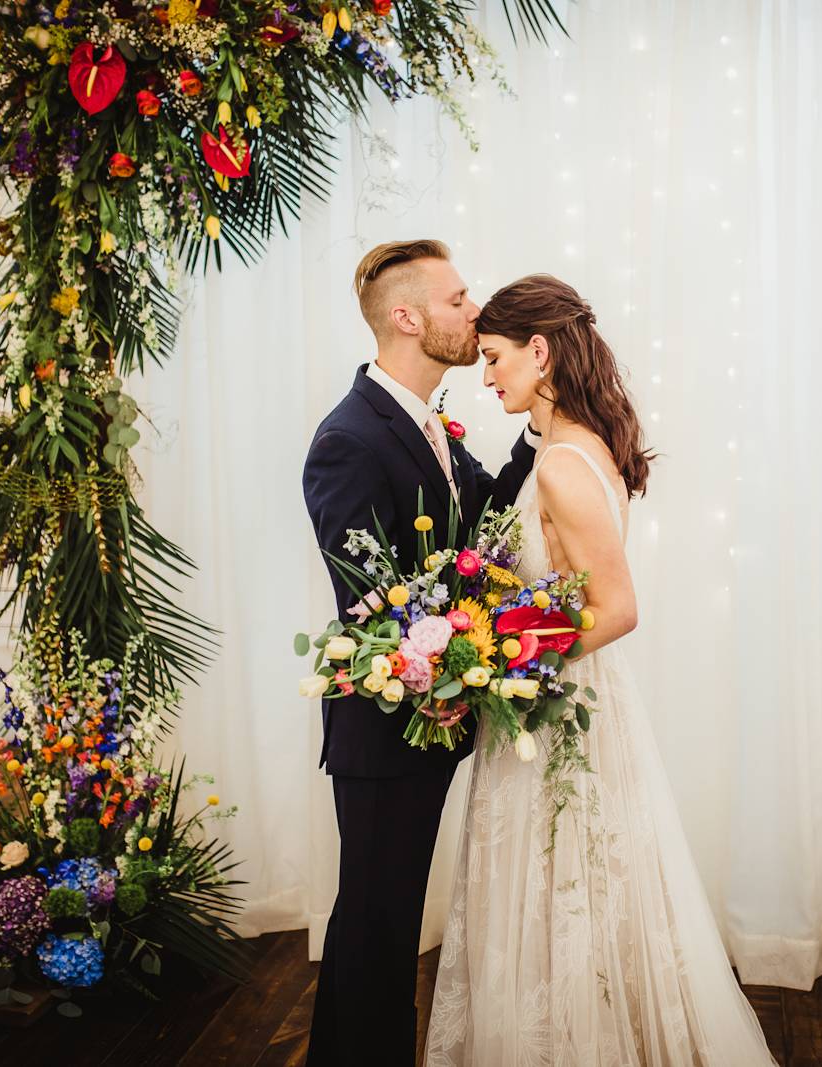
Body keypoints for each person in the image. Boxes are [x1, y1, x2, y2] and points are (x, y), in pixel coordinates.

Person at [424, 274, 778, 1065]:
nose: (486, 377)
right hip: (569, 698)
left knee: (556, 883)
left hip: (554, 706)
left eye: (494, 358)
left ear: (539, 351)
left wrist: (500, 665)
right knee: (576, 886)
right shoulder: (581, 445)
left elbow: (617, 607)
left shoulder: (559, 463)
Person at [301, 240, 539, 1065]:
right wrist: (451, 662)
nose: (475, 312)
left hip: (432, 715)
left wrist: (543, 435)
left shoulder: (427, 422)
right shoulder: (350, 439)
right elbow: (370, 598)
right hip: (384, 726)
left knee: (388, 919)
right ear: (407, 317)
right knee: (375, 924)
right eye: (459, 298)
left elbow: (482, 532)